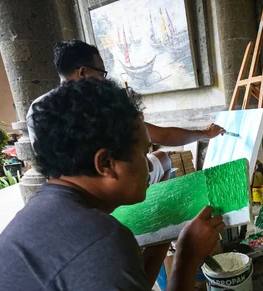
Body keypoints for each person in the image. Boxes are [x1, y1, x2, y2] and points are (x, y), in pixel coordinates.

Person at [0, 79, 261, 291]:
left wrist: (161, 240)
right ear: (106, 164)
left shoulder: (49, 211)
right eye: (144, 152)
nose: (150, 164)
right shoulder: (94, 237)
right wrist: (186, 258)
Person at [26, 39, 226, 185]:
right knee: (161, 160)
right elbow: (162, 135)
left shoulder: (38, 108)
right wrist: (205, 134)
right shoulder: (97, 105)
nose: (103, 80)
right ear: (83, 72)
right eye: (101, 72)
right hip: (106, 184)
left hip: (67, 189)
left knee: (157, 161)